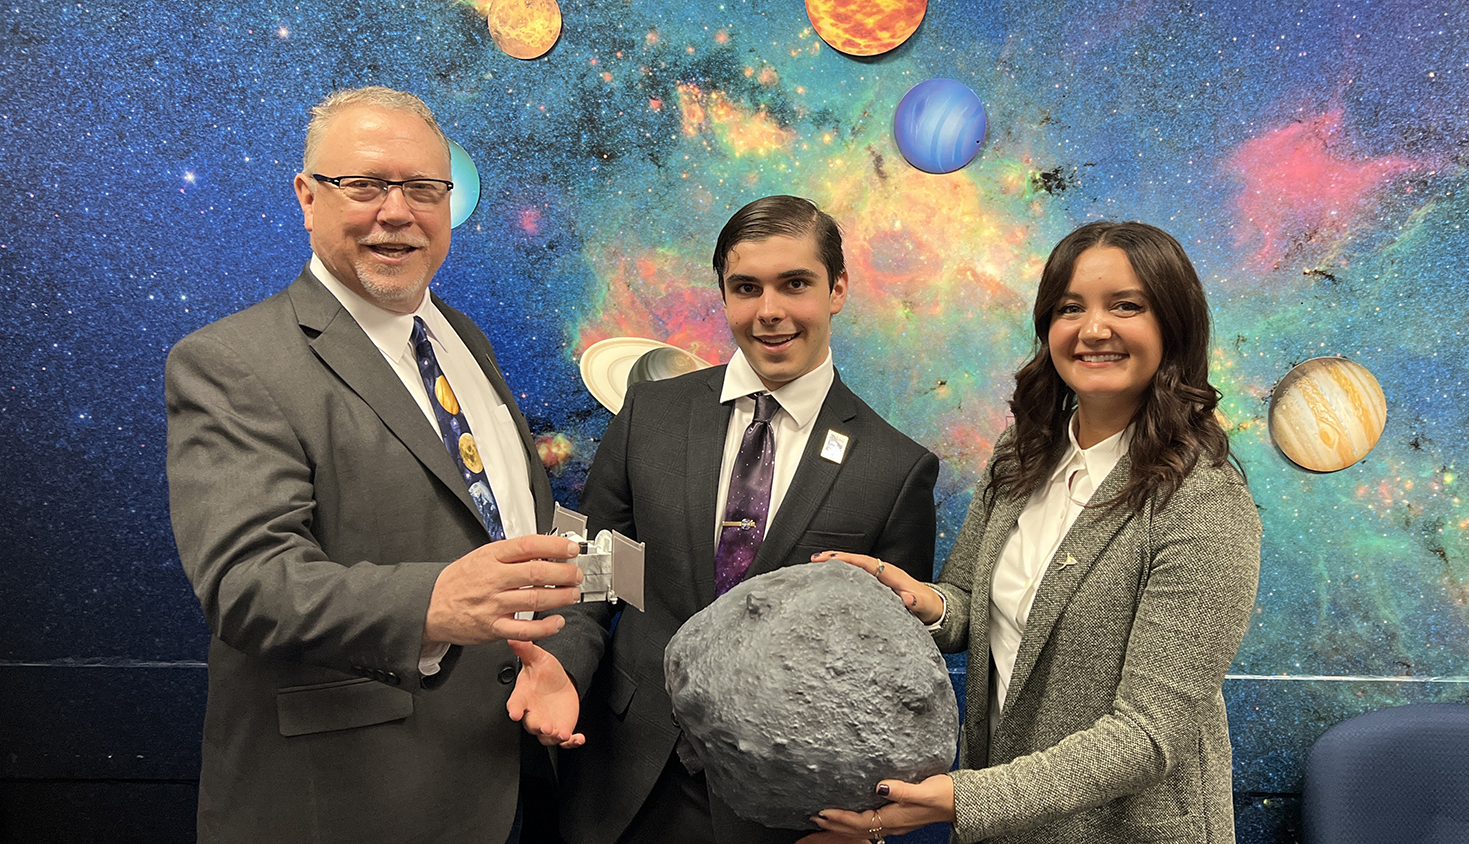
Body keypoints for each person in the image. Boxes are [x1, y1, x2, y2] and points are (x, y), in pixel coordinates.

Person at [165, 86, 587, 844]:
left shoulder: (461, 337)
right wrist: (433, 601)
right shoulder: (231, 362)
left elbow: (521, 524)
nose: (398, 212)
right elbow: (245, 584)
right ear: (307, 196)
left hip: (505, 776)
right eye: (363, 185)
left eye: (424, 189)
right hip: (345, 805)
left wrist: (550, 657)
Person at [808, 221, 1261, 844]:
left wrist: (964, 797)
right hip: (1012, 828)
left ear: (1173, 325)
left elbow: (1150, 732)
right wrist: (923, 601)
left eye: (1126, 306)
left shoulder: (1203, 498)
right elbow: (971, 603)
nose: (1093, 329)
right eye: (1070, 308)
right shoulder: (1022, 455)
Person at [543, 195, 941, 844]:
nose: (770, 311)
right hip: (619, 781)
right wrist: (559, 664)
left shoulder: (895, 469)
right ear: (724, 294)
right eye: (746, 288)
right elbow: (590, 569)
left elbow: (888, 672)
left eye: (795, 284)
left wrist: (864, 820)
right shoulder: (650, 412)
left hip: (777, 812)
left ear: (837, 288)